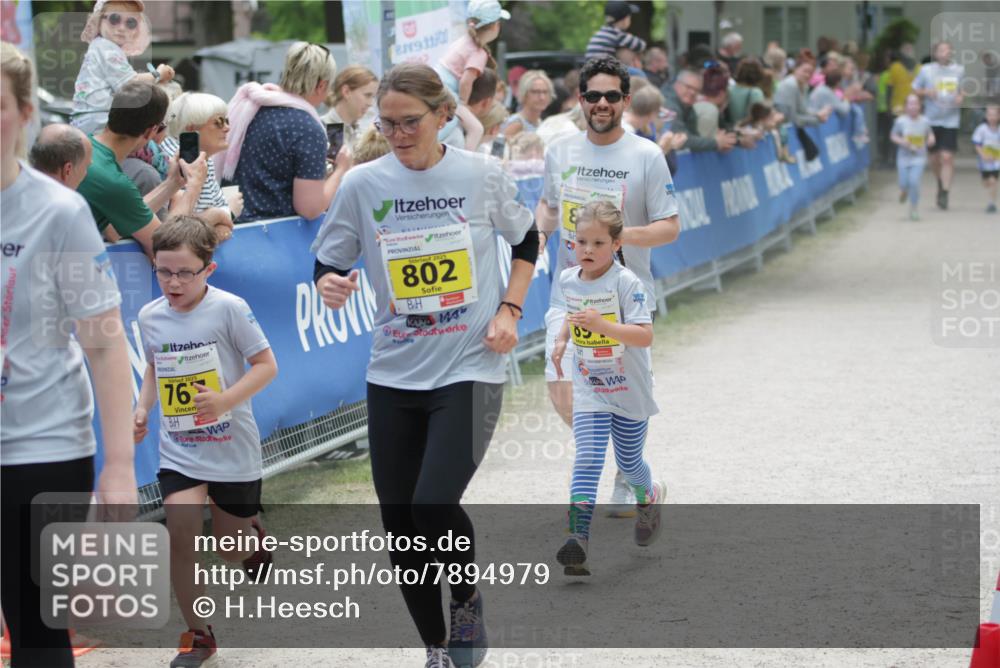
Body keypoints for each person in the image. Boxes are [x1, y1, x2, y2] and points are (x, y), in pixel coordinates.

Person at [311, 62, 538, 668]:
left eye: (409, 121)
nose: (397, 133)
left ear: (443, 115)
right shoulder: (363, 185)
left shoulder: (482, 175)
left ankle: (466, 604)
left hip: (470, 368)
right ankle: (435, 647)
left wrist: (510, 309)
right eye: (386, 123)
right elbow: (328, 263)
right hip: (393, 374)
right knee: (401, 523)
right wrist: (331, 285)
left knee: (432, 504)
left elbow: (527, 241)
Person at [2, 40, 137, 668]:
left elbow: (106, 345)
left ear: (26, 113)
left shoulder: (59, 214)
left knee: (35, 631)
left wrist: (118, 465)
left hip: (40, 447)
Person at [536, 56, 679, 516]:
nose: (602, 104)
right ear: (580, 100)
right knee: (562, 385)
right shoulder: (560, 150)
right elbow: (547, 205)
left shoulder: (645, 155)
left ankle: (630, 470)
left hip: (623, 294)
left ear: (625, 100)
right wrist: (540, 235)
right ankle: (616, 458)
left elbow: (670, 226)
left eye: (611, 96)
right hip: (569, 291)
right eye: (593, 96)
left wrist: (619, 238)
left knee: (624, 389)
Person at [132, 215, 277, 668]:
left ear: (207, 271)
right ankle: (199, 635)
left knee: (230, 550)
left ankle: (252, 540)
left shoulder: (230, 308)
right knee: (180, 532)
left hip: (232, 447)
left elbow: (266, 365)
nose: (172, 282)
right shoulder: (149, 315)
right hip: (180, 450)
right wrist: (143, 407)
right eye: (163, 271)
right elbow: (156, 366)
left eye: (184, 273)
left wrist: (225, 400)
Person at [549, 201, 664, 575]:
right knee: (588, 458)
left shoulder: (626, 283)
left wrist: (603, 326)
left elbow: (644, 336)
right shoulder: (568, 279)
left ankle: (649, 498)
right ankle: (577, 538)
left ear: (616, 244)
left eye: (598, 243)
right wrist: (564, 339)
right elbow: (573, 310)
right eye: (581, 241)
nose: (587, 250)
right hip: (591, 387)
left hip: (629, 388)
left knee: (630, 462)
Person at [77, 81, 208, 260]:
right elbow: (168, 248)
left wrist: (173, 183)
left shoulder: (85, 151)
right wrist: (194, 186)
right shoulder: (113, 182)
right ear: (151, 131)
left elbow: (113, 231)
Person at [223, 41, 351, 223]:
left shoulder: (254, 108)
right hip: (277, 235)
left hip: (235, 229)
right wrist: (341, 170)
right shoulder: (308, 128)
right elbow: (310, 208)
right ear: (321, 85)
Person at [72, 0, 174, 133]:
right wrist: (158, 73)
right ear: (99, 21)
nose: (121, 27)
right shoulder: (106, 48)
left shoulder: (100, 45)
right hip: (99, 121)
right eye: (114, 19)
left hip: (89, 119)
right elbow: (129, 84)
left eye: (130, 23)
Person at [435, 0, 510, 151]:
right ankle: (468, 158)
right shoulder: (478, 53)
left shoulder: (463, 41)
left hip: (438, 83)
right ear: (496, 26)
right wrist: (462, 103)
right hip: (448, 91)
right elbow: (466, 81)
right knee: (476, 129)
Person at [161, 91, 237, 240]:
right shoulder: (170, 161)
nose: (227, 127)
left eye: (227, 120)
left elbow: (223, 216)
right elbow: (174, 231)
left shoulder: (203, 159)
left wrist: (218, 218)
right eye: (219, 122)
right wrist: (216, 216)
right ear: (191, 129)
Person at [912, 41, 965, 210]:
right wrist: (927, 92)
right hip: (931, 120)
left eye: (949, 50)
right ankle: (940, 183)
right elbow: (915, 89)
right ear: (935, 54)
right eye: (942, 50)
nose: (946, 53)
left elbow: (964, 89)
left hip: (950, 119)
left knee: (947, 157)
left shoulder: (959, 70)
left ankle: (945, 192)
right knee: (934, 158)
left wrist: (961, 97)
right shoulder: (926, 70)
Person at [662, 68, 737, 152]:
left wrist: (733, 140)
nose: (692, 92)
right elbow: (680, 138)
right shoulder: (667, 104)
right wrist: (715, 143)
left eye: (696, 90)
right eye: (688, 87)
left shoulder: (687, 105)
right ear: (677, 84)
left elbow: (693, 135)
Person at [890, 94, 935, 221]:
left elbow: (930, 134)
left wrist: (931, 139)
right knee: (904, 183)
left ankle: (914, 209)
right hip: (903, 158)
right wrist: (902, 142)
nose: (913, 106)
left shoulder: (925, 121)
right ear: (905, 107)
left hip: (919, 157)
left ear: (920, 106)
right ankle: (903, 191)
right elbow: (893, 135)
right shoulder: (900, 121)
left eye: (916, 103)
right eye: (910, 104)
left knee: (914, 182)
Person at [320, 65, 378, 152]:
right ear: (346, 92)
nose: (370, 103)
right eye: (367, 95)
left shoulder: (360, 131)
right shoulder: (325, 128)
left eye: (373, 97)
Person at [774, 55, 832, 130]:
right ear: (796, 69)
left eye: (811, 73)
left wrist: (818, 113)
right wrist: (817, 119)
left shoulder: (804, 86)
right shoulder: (790, 85)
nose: (807, 75)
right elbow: (792, 118)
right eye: (805, 71)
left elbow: (803, 110)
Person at [28, 122, 93, 189]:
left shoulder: (19, 188)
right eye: (86, 167)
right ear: (67, 170)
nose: (85, 174)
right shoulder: (68, 199)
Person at [502, 69, 553, 139]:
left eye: (545, 92)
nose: (542, 97)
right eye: (535, 92)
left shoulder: (541, 122)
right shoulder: (516, 123)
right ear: (524, 93)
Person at [971, 104, 1000, 213]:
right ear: (986, 116)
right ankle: (989, 191)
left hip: (997, 162)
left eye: (994, 115)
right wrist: (983, 154)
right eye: (989, 115)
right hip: (984, 162)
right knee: (986, 182)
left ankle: (992, 203)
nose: (992, 117)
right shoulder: (981, 129)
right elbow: (977, 144)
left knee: (994, 181)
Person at [728, 59, 766, 127]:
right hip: (747, 130)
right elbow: (758, 117)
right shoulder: (755, 92)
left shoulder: (729, 89)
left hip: (730, 128)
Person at [887, 43, 920, 116]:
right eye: (905, 49)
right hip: (898, 106)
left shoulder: (920, 68)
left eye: (910, 49)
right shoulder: (895, 67)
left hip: (915, 107)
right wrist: (888, 106)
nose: (908, 51)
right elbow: (890, 88)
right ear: (901, 53)